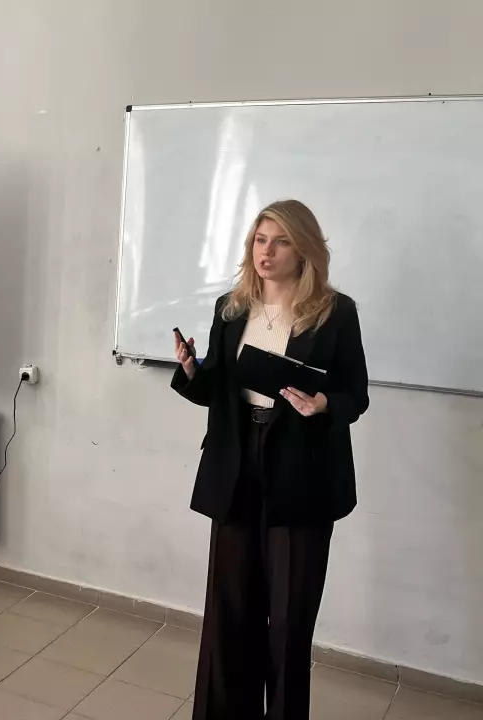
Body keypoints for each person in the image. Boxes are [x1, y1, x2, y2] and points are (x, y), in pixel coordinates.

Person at [171, 199, 369, 720]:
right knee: (229, 612)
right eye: (260, 240)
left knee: (287, 620)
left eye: (281, 242)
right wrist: (193, 372)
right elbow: (219, 387)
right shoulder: (231, 307)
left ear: (303, 250)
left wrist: (323, 405)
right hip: (237, 465)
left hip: (302, 472)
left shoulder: (335, 312)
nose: (267, 252)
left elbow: (355, 394)